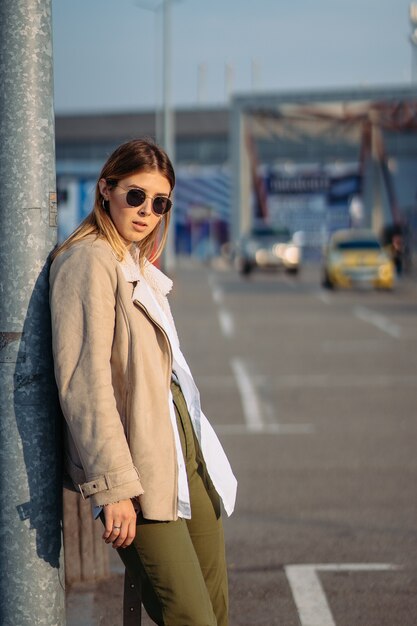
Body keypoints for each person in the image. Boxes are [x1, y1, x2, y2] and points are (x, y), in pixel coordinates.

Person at [50, 139, 237, 626]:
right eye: (136, 195)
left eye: (160, 203)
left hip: (181, 446)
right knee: (189, 614)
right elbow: (84, 382)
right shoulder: (87, 260)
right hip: (138, 463)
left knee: (215, 606)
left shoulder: (132, 259)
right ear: (106, 189)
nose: (147, 211)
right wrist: (113, 489)